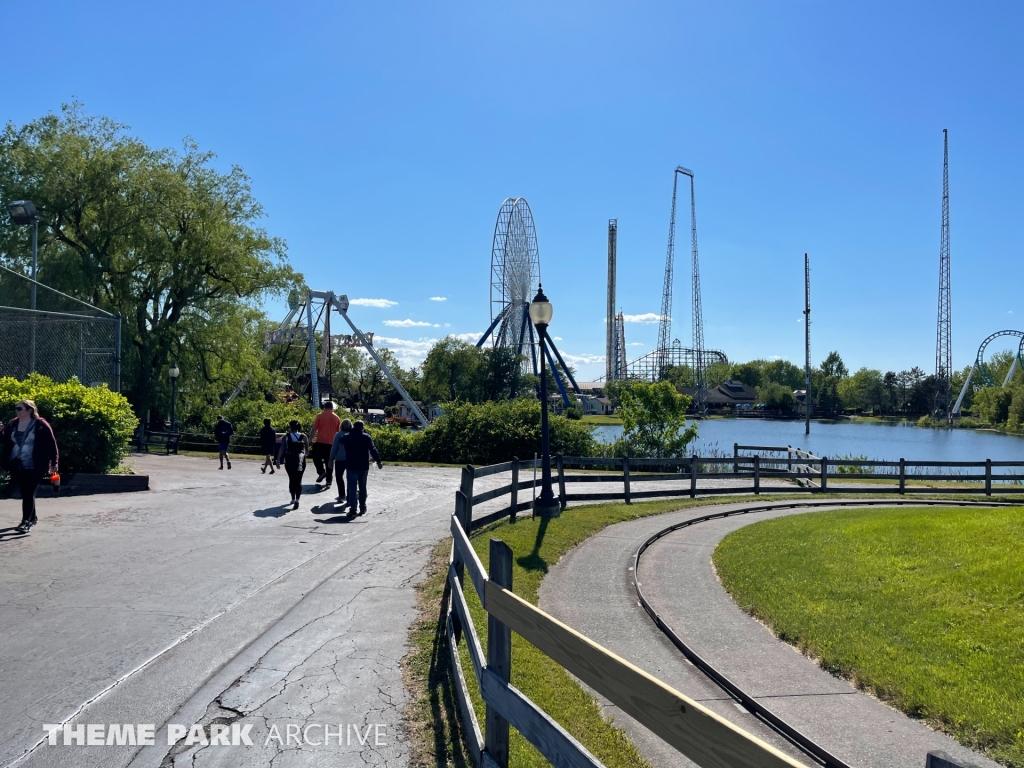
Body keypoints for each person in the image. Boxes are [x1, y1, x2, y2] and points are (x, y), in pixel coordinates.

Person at [1, 399, 59, 533]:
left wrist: (54, 462)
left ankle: (25, 522)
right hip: (17, 463)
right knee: (26, 491)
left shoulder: (40, 424)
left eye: (19, 408)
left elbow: (51, 444)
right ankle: (32, 517)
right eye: (16, 408)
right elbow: (5, 441)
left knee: (28, 491)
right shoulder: (13, 423)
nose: (16, 411)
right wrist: (1, 431)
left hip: (36, 464)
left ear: (29, 410)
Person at [340, 420, 382, 516]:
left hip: (351, 466)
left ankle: (353, 508)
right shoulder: (366, 437)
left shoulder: (347, 437)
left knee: (352, 487)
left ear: (353, 427)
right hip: (363, 466)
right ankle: (362, 507)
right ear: (362, 427)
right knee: (362, 488)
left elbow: (341, 441)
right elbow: (372, 449)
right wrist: (378, 461)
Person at [309, 401, 342, 489]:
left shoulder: (320, 416)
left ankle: (321, 471)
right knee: (329, 461)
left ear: (324, 407)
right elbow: (339, 432)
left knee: (316, 457)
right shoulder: (337, 418)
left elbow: (314, 429)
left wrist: (310, 439)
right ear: (332, 408)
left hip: (320, 441)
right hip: (331, 443)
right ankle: (329, 481)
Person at [277, 420, 308, 509]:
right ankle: (298, 499)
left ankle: (293, 498)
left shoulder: (286, 437)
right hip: (301, 460)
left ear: (291, 427)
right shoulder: (303, 436)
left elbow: (282, 448)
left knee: (291, 479)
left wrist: (278, 460)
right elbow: (306, 450)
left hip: (289, 460)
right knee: (299, 480)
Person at [327, 418, 353, 504]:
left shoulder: (338, 435)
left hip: (340, 459)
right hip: (350, 459)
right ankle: (349, 496)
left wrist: (331, 460)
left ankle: (342, 495)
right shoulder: (352, 435)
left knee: (339, 477)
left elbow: (334, 448)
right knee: (350, 478)